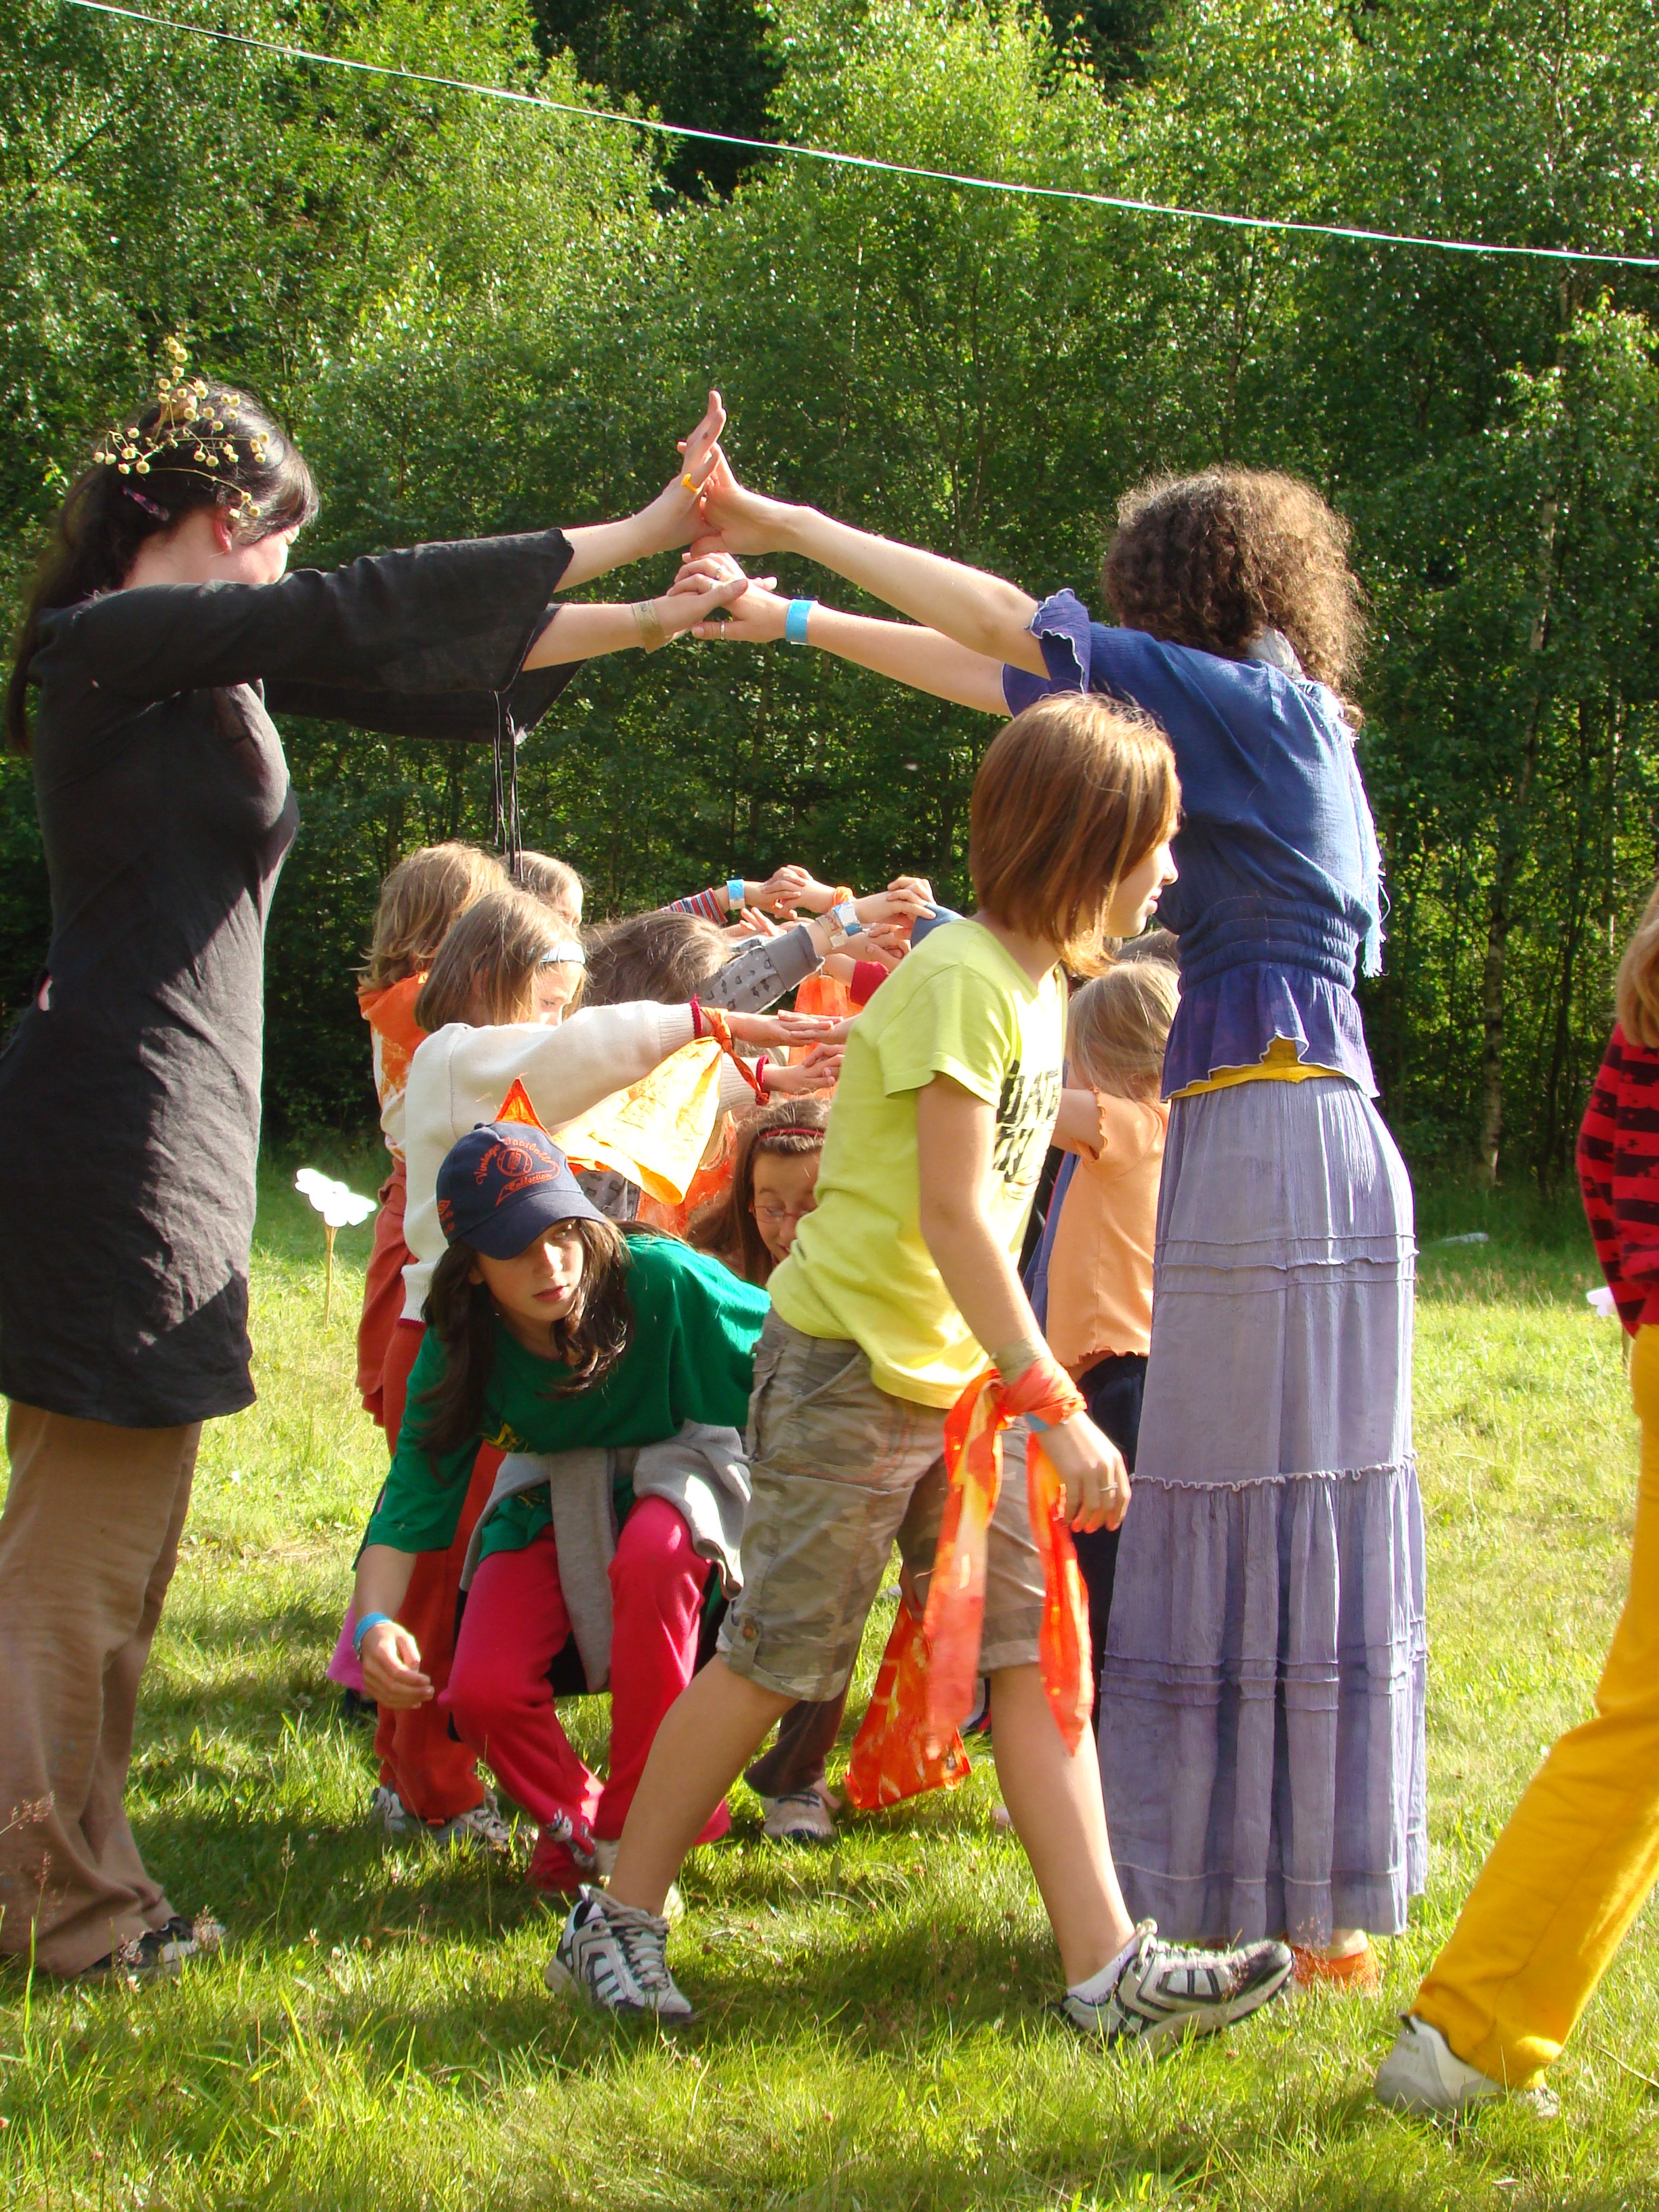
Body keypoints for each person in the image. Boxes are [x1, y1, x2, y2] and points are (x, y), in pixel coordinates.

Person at [0, 353, 743, 1980]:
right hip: (112, 1140)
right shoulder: (107, 643)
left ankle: (84, 1883)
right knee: (79, 1560)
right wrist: (635, 530)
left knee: (123, 1556)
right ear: (220, 517)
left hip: (163, 1136)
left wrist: (649, 619)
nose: (289, 570)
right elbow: (361, 611)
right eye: (278, 538)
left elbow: (432, 673)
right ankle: (56, 1907)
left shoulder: (198, 678)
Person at [678, 454, 1420, 1988]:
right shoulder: (1269, 720)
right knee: (1267, 1509)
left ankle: (1293, 1904)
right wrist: (793, 619)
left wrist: (788, 525)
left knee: (1256, 1507)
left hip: (1269, 1126)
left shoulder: (1255, 714)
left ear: (1172, 603)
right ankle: (1276, 1894)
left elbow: (1011, 628)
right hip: (1275, 1122)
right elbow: (993, 675)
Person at [550, 693, 1296, 2041]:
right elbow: (954, 1214)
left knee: (1027, 1650)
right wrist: (1054, 1398)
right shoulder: (965, 982)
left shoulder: (1037, 987)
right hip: (852, 1370)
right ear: (1086, 843)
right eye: (1156, 842)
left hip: (961, 1381)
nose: (1169, 869)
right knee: (779, 1657)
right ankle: (616, 1915)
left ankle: (1107, 1971)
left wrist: (1012, 1384)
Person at [370, 882, 796, 1842]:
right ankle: (430, 1779)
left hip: (563, 1348)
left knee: (592, 1562)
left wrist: (779, 1070)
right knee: (445, 1575)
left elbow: (659, 1090)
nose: (563, 1021)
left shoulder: (631, 1265)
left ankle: (627, 1819)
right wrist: (724, 1007)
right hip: (472, 1347)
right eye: (552, 1001)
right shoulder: (456, 1056)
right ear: (497, 979)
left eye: (569, 1006)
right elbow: (593, 1053)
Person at [1374, 888, 1659, 2114]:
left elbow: (1600, 1169)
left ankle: (1474, 2028)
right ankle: (1470, 2029)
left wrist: (1643, 1313)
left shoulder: (1638, 1025)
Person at [354, 1122, 769, 1896]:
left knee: (654, 1556)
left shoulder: (661, 1278)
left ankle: (639, 1834)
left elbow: (793, 1353)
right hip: (548, 1487)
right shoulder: (460, 1341)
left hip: (684, 1465)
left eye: (561, 1233)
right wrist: (373, 1623)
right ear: (472, 1269)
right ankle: (579, 1824)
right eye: (515, 1248)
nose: (550, 1264)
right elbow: (413, 1495)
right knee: (481, 1689)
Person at [1026, 956, 1178, 1724]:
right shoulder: (1164, 1128)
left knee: (1098, 1572)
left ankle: (1096, 1734)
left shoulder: (1131, 1124)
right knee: (1098, 1567)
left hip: (1120, 1382)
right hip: (1120, 1376)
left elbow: (1019, 1100)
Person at [688, 1098, 844, 1843]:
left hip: (824, 1475)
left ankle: (799, 1780)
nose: (786, 1229)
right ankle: (694, 1759)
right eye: (769, 1207)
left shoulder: (860, 1273)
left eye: (808, 1207)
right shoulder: (717, 1266)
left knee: (826, 1608)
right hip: (726, 1469)